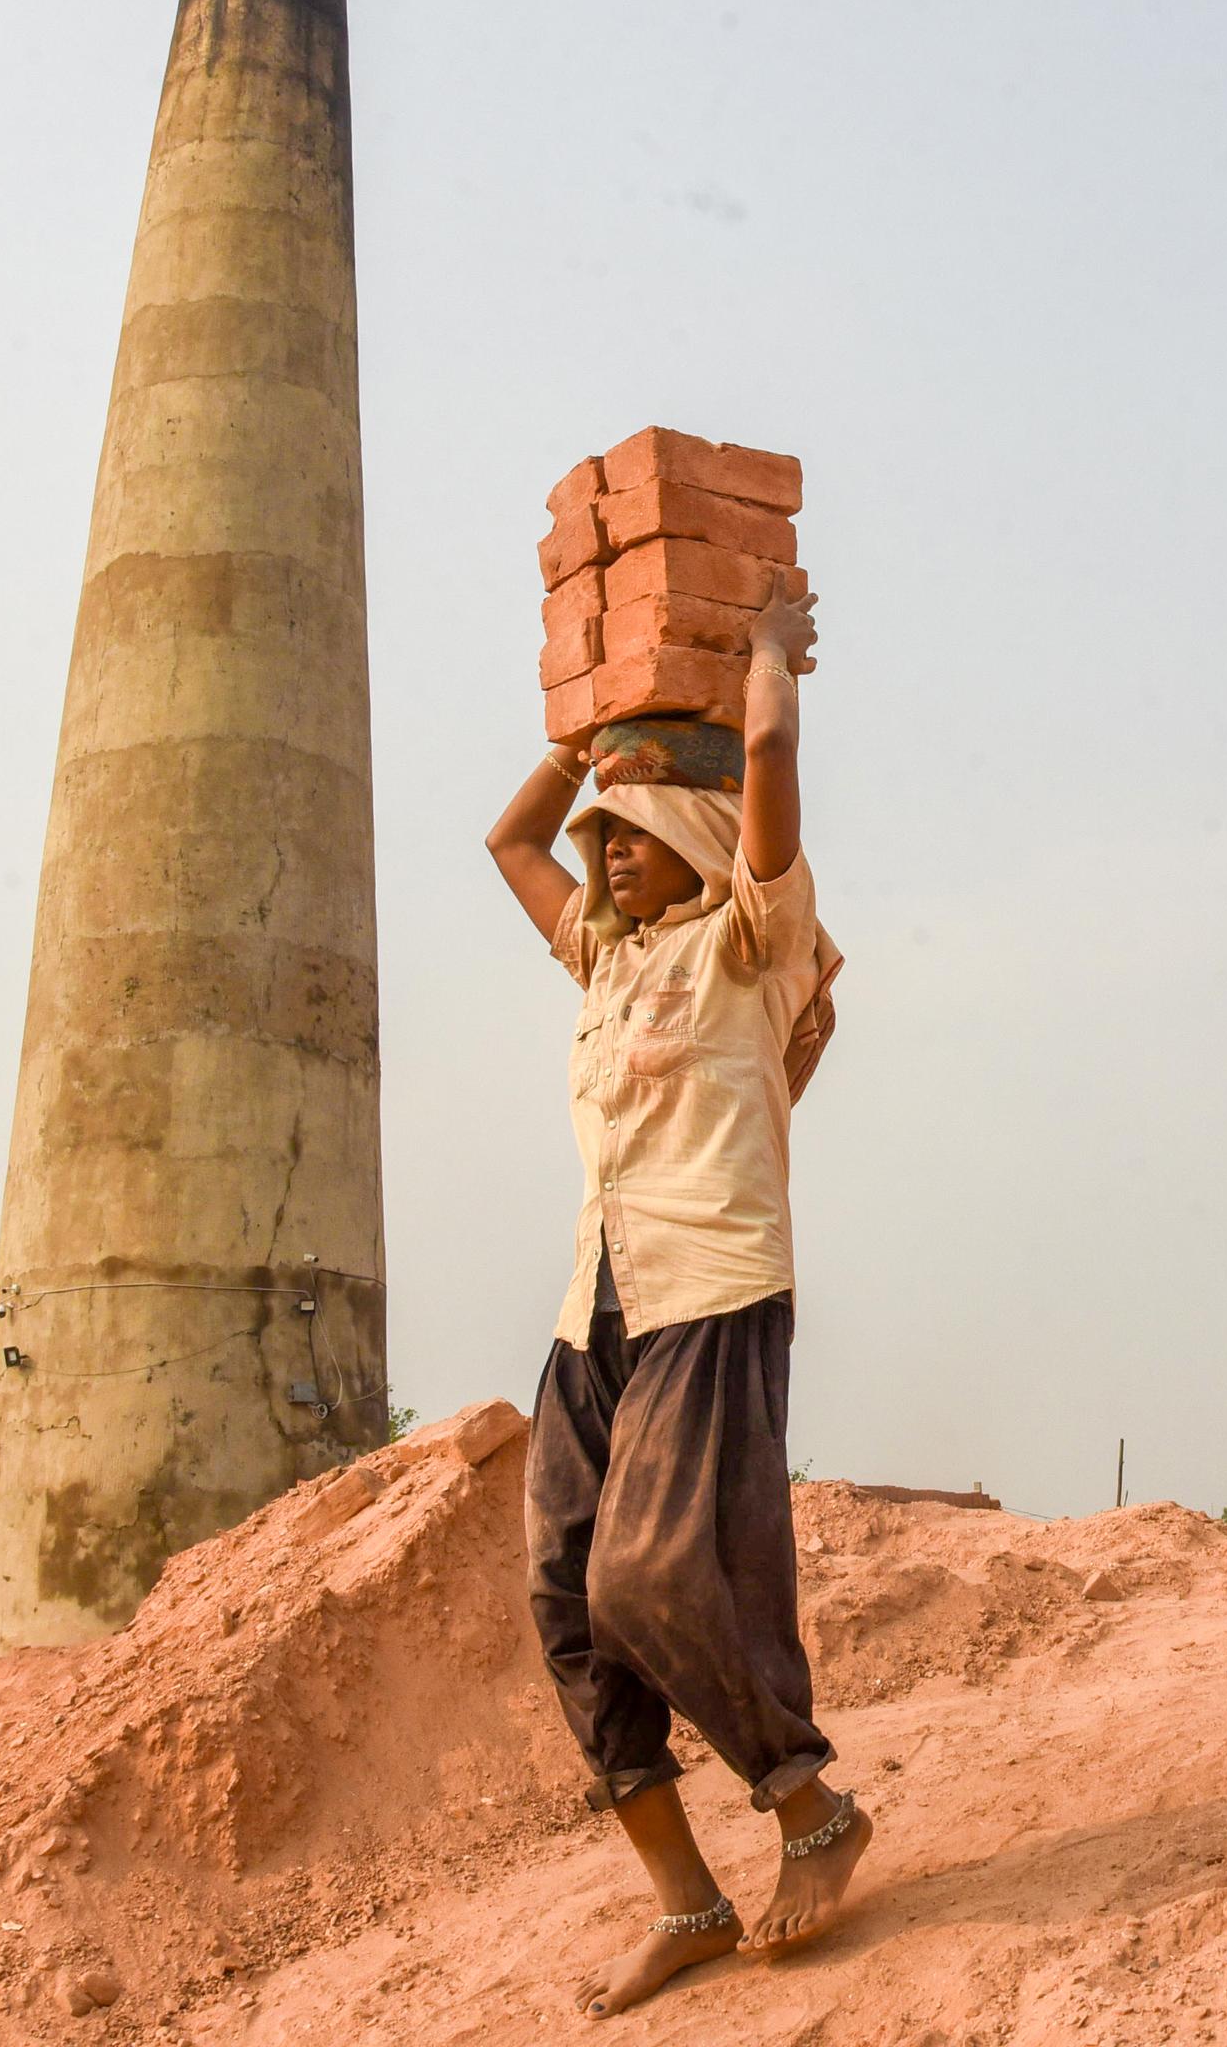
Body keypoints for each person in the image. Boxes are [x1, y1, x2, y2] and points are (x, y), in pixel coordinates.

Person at [482, 578, 872, 2018]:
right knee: (565, 1603)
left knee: (646, 1579)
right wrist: (581, 738)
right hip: (596, 1308)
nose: (605, 855)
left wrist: (765, 651)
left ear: (691, 843)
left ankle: (810, 1806)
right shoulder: (604, 959)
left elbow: (764, 761)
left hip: (711, 1289)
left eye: (631, 836)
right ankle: (687, 1904)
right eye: (603, 840)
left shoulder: (747, 946)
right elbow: (509, 841)